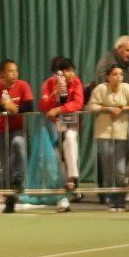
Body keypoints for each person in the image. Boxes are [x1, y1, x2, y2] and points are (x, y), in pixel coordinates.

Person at [88, 63, 129, 211]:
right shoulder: (101, 89)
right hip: (103, 134)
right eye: (115, 74)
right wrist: (108, 109)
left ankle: (120, 200)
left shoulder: (126, 88)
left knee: (120, 170)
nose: (119, 77)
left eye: (121, 74)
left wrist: (124, 108)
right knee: (108, 169)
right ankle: (111, 199)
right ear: (108, 77)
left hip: (121, 134)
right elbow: (92, 106)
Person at [0, 59, 32, 213]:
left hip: (17, 128)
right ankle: (9, 198)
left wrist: (14, 108)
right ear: (3, 73)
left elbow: (29, 105)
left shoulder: (23, 85)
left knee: (18, 143)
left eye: (16, 70)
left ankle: (18, 179)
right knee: (3, 167)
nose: (14, 74)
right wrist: (4, 105)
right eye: (11, 71)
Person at [40, 57, 85, 205]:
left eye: (72, 70)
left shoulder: (76, 82)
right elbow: (43, 105)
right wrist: (54, 94)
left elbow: (78, 103)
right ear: (58, 73)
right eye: (67, 71)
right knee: (56, 155)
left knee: (70, 141)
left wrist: (59, 109)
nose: (71, 73)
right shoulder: (49, 83)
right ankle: (59, 187)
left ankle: (72, 180)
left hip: (71, 123)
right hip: (53, 125)